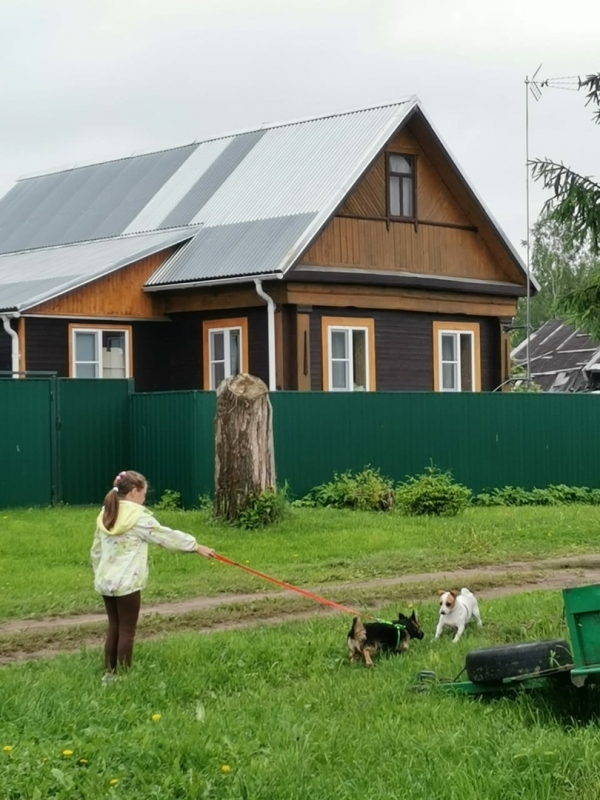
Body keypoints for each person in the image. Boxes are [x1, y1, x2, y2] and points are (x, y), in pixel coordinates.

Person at [90, 470, 215, 681]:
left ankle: (108, 675)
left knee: (115, 627)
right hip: (128, 584)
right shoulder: (137, 517)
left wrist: (99, 572)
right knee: (127, 631)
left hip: (106, 581)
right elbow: (164, 536)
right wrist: (195, 546)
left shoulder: (107, 513)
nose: (144, 498)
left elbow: (96, 550)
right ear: (134, 492)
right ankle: (122, 678)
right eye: (143, 494)